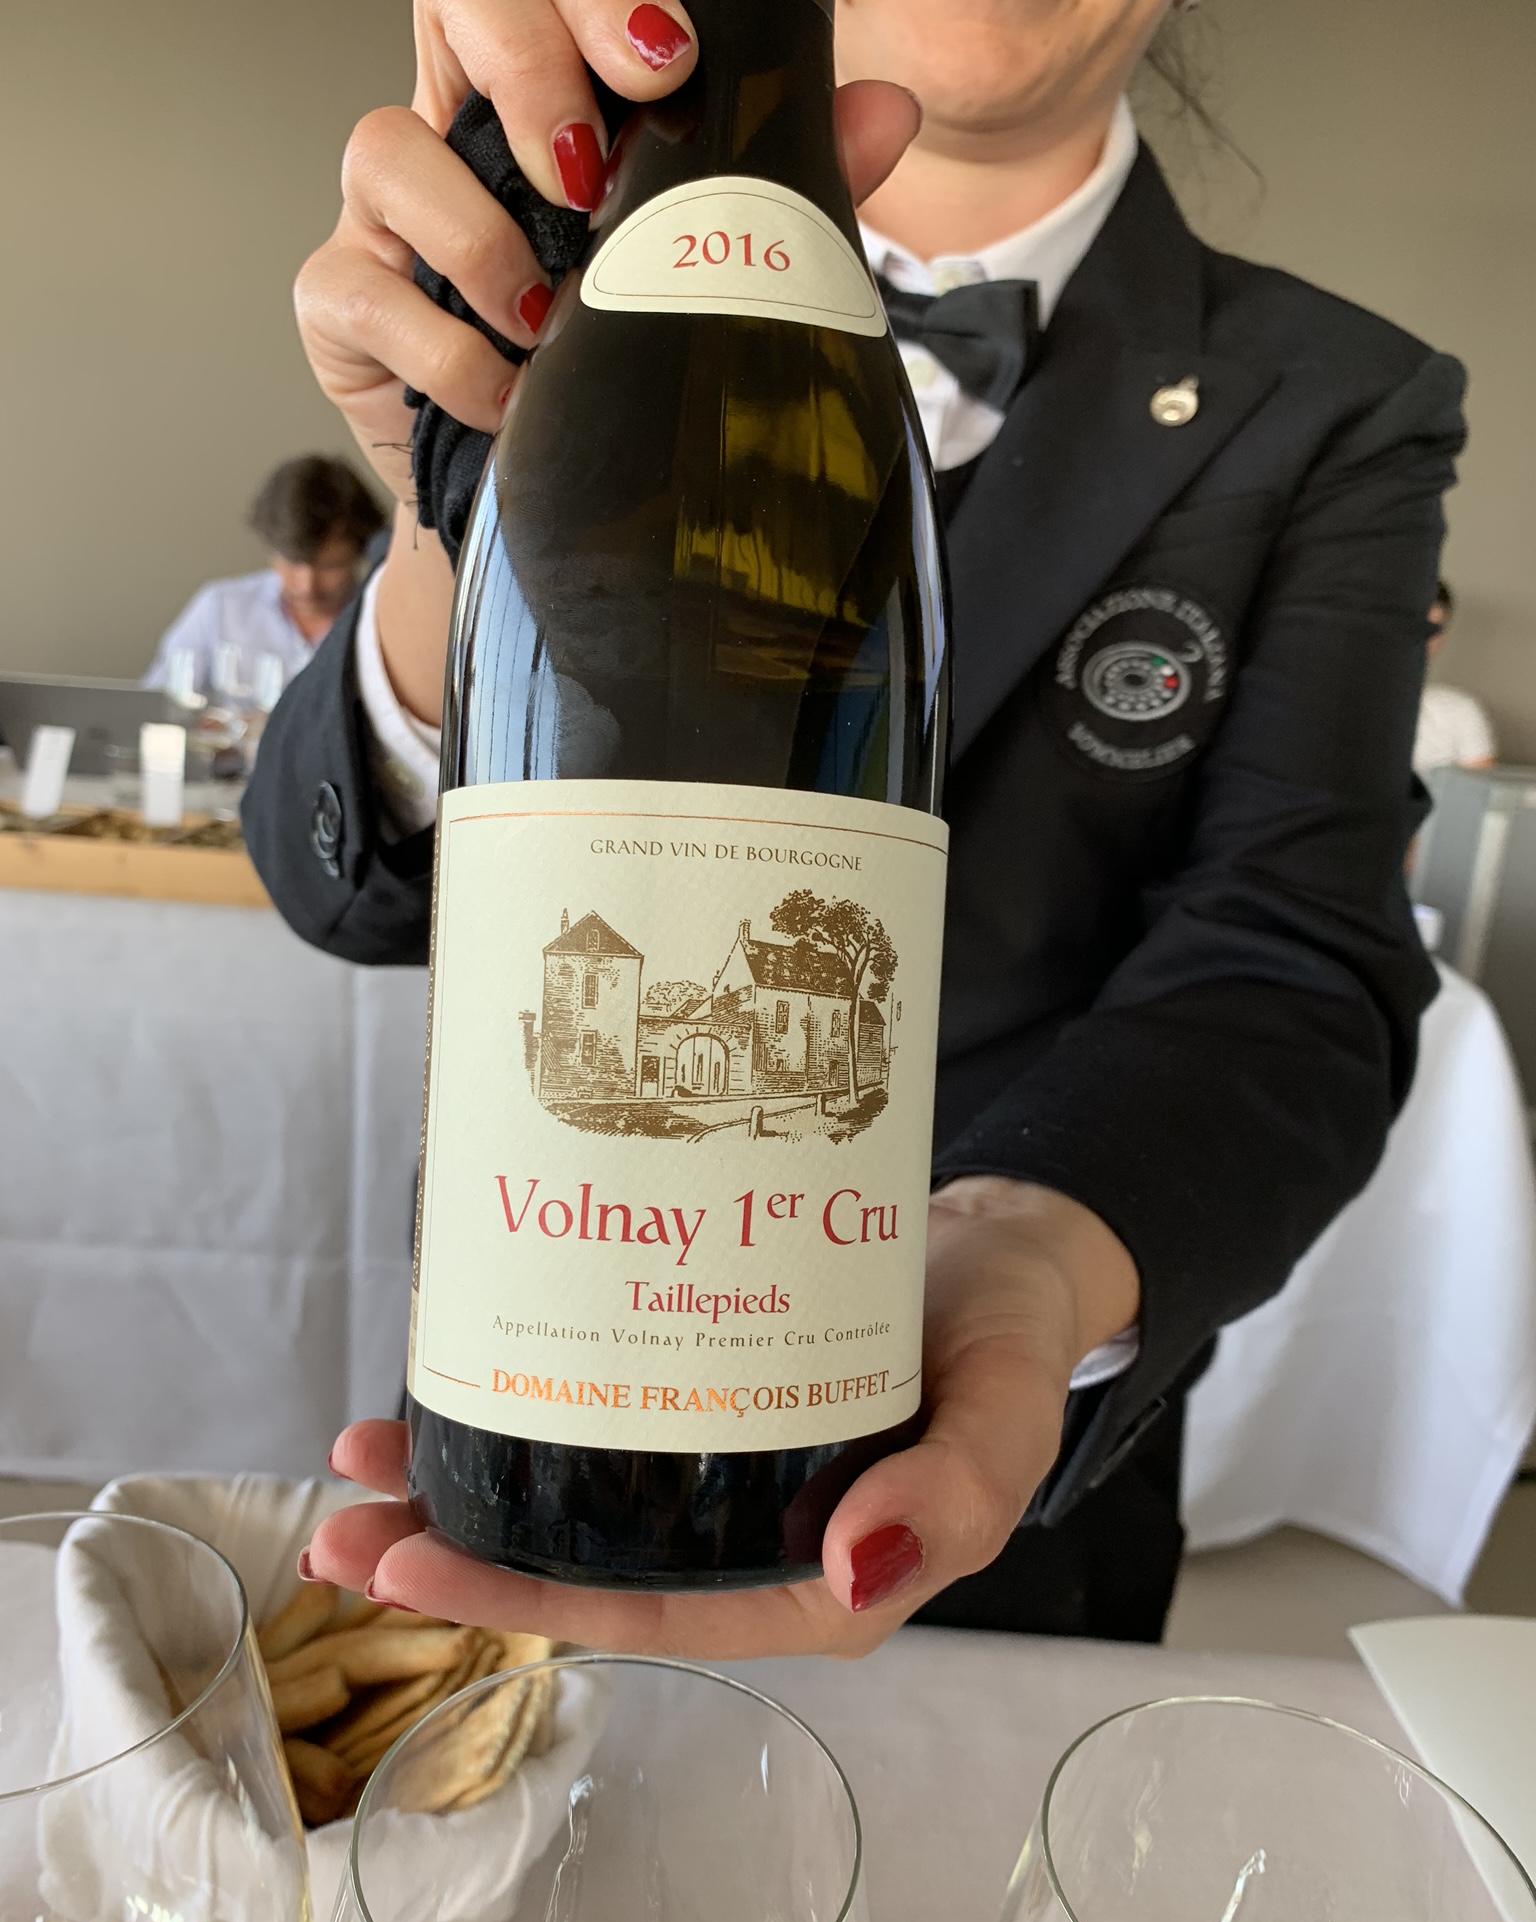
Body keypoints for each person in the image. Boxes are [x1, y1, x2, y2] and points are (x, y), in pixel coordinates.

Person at [241, 0, 1465, 1657]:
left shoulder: (1343, 400)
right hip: (541, 1355)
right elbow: (349, 897)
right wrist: (447, 493)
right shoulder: (559, 284)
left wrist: (1033, 1252)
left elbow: (1295, 961)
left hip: (988, 1482)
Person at [142, 455, 385, 706]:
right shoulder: (221, 608)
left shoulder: (382, 622)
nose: (306, 586)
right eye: (291, 562)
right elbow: (159, 705)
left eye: (330, 567)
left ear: (362, 552)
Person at [1413, 580, 1496, 777]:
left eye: (1433, 632)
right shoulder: (1343, 703)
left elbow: (1481, 791)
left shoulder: (1460, 711)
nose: (1422, 643)